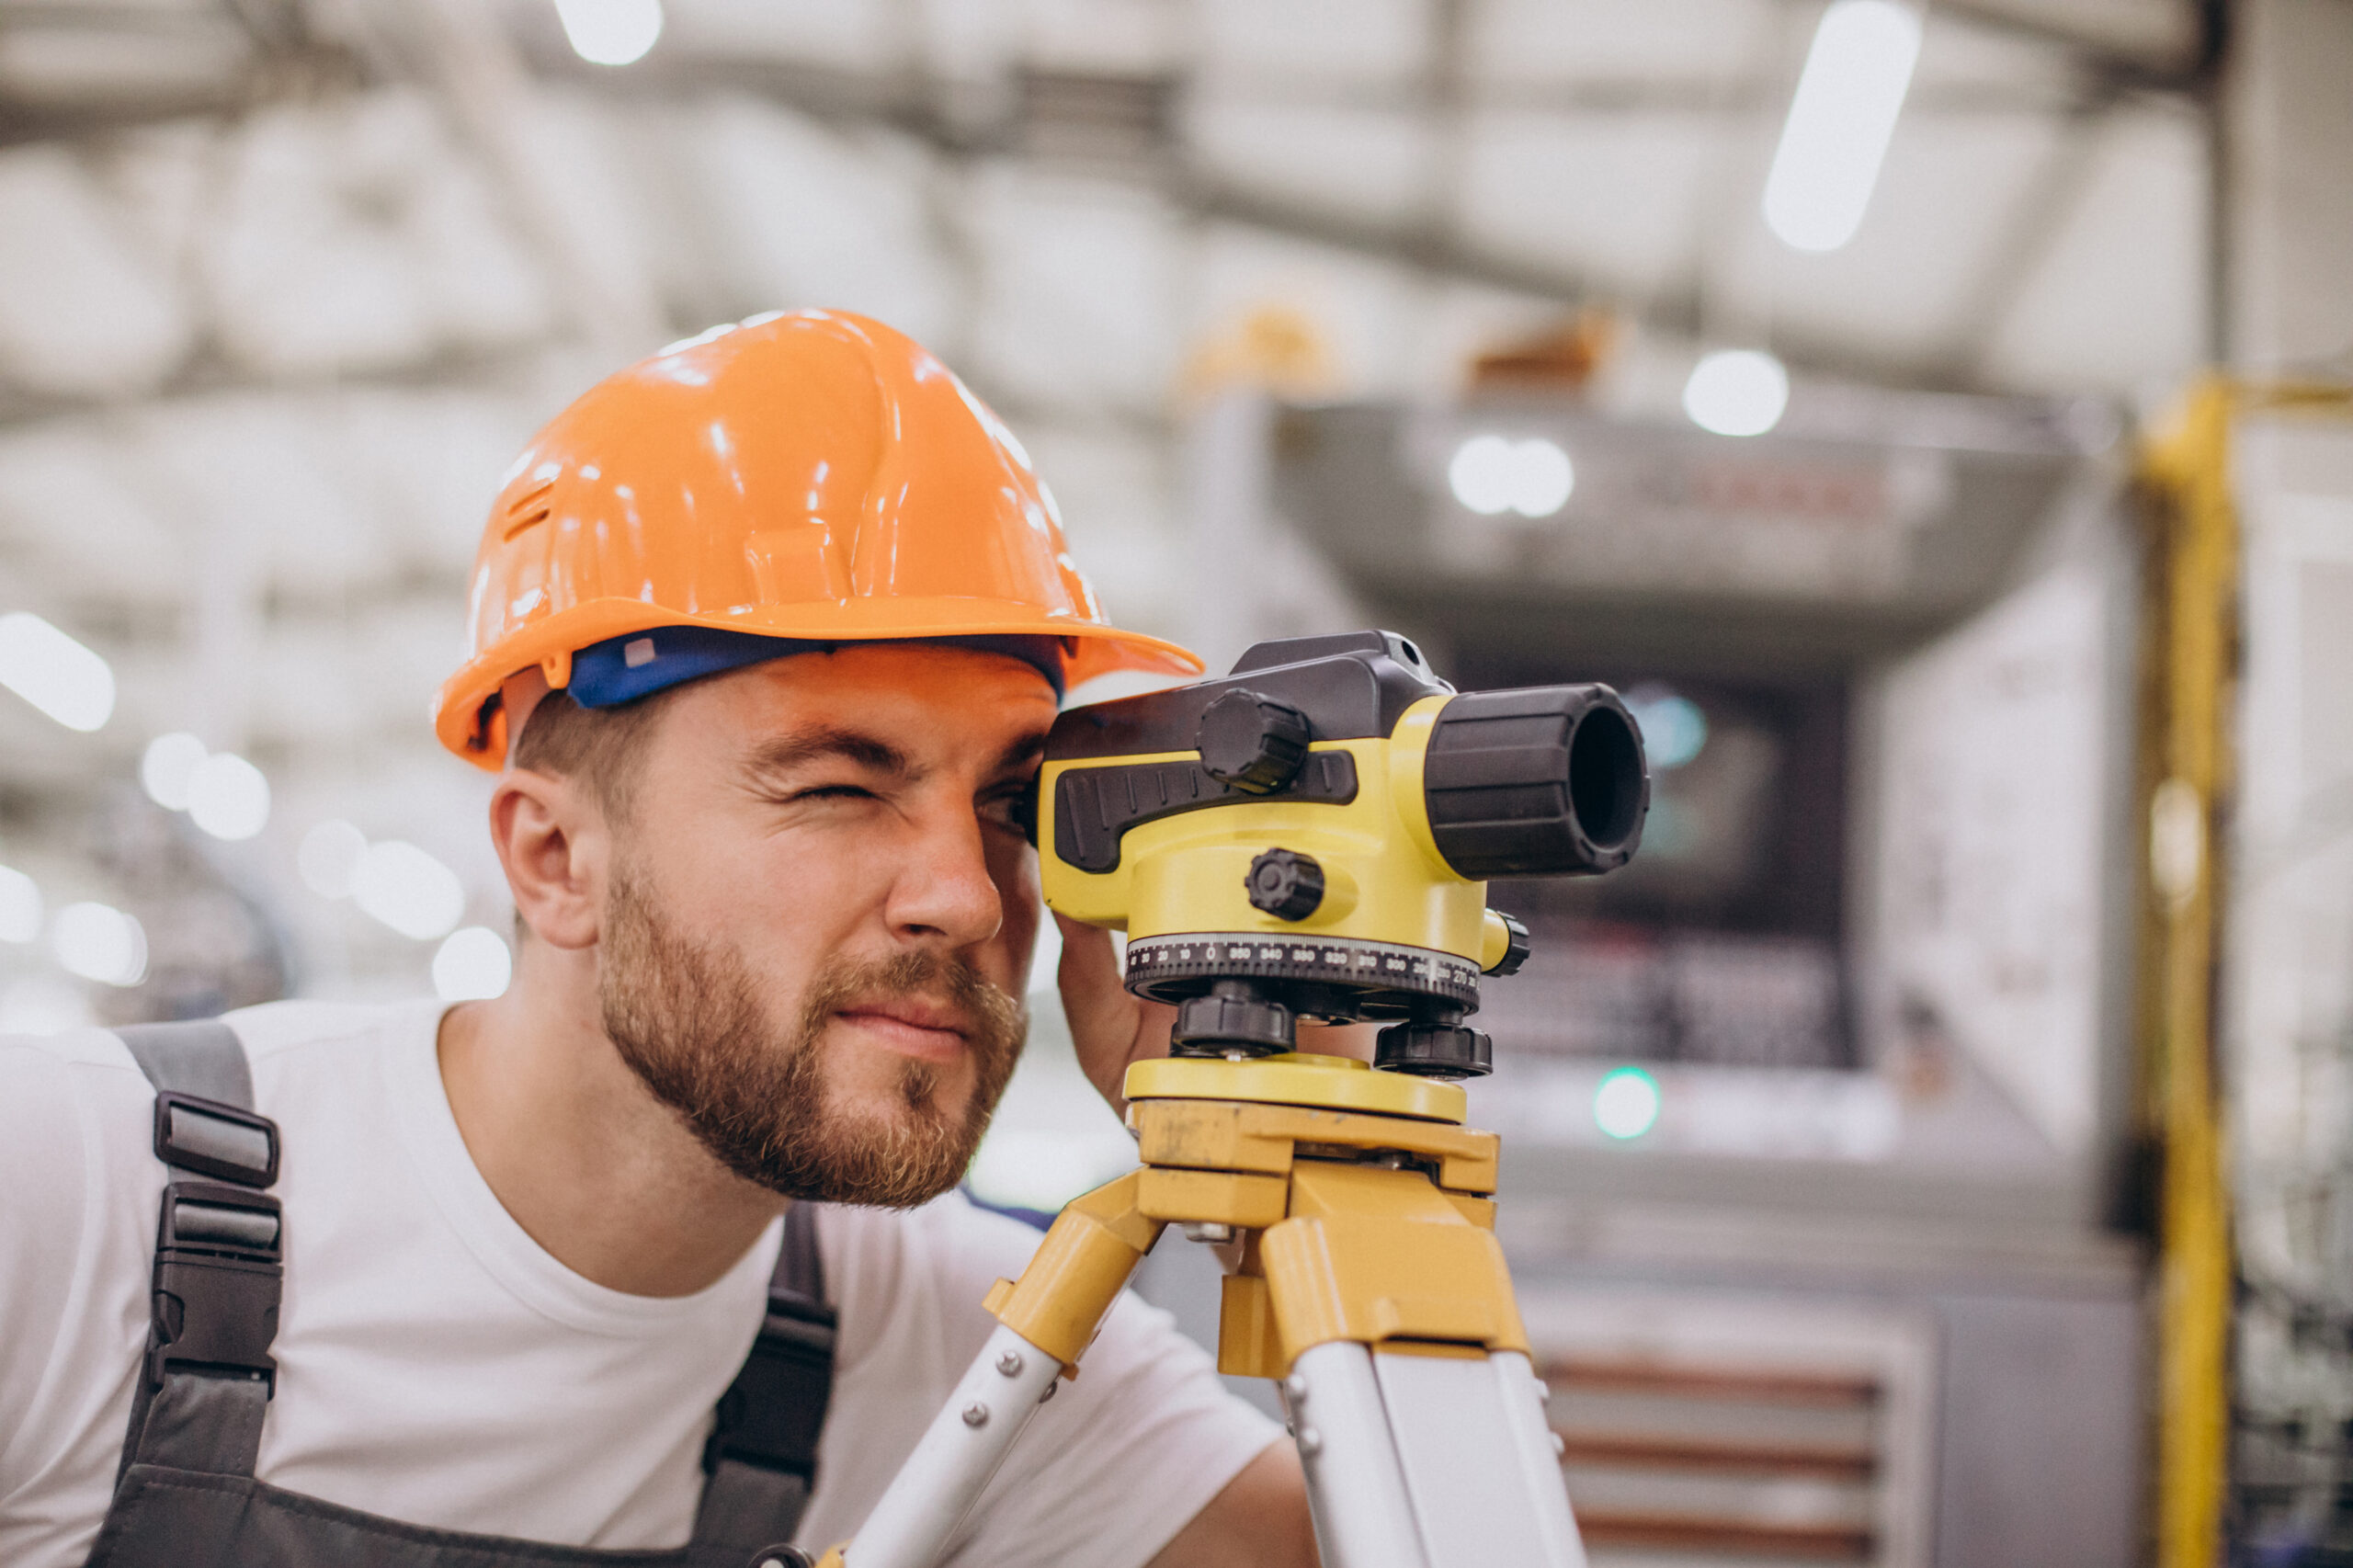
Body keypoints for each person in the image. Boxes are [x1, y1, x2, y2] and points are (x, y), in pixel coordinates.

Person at [0, 311, 1326, 1567]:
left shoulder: (960, 1342)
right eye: (840, 785)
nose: (972, 895)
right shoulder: (67, 1202)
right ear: (554, 857)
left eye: (1004, 801)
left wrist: (1303, 1153)